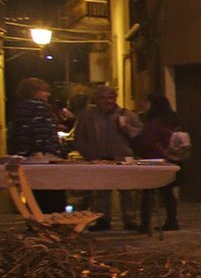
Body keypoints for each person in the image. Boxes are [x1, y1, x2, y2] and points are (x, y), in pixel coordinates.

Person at [73, 83, 143, 231]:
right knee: (101, 191)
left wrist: (125, 127)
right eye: (103, 98)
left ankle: (130, 219)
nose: (108, 101)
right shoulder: (87, 116)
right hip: (98, 158)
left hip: (122, 158)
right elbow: (79, 136)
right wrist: (87, 154)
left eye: (111, 97)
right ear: (97, 99)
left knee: (127, 190)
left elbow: (138, 136)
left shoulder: (126, 114)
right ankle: (102, 220)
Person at [7, 77, 67, 213]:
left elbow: (22, 131)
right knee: (53, 192)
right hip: (43, 156)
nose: (48, 94)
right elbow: (41, 131)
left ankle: (35, 222)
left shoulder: (19, 108)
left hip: (27, 157)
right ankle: (54, 222)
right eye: (44, 91)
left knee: (34, 193)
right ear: (33, 92)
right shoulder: (40, 106)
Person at [131, 93, 183, 232]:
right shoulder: (171, 120)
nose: (143, 105)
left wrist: (134, 138)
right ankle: (172, 220)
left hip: (153, 161)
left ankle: (144, 224)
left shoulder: (154, 123)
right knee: (167, 192)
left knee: (148, 193)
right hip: (169, 160)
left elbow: (148, 142)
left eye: (146, 102)